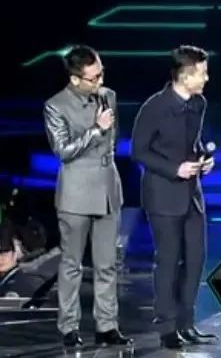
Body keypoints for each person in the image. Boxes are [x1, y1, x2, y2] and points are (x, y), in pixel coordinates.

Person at [43, 45, 132, 348]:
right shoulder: (55, 106)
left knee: (108, 264)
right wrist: (96, 129)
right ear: (75, 78)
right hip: (76, 193)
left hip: (108, 188)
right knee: (72, 264)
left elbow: (113, 141)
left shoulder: (109, 96)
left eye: (101, 74)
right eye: (93, 78)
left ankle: (107, 326)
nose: (100, 81)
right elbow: (63, 151)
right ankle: (69, 327)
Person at [131, 45, 218, 350]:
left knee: (195, 259)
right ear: (185, 76)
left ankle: (186, 323)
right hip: (164, 194)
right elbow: (139, 151)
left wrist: (203, 159)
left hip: (192, 193)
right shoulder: (155, 107)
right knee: (168, 260)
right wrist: (174, 168)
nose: (206, 78)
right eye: (202, 73)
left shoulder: (199, 103)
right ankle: (167, 327)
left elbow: (192, 142)